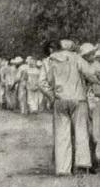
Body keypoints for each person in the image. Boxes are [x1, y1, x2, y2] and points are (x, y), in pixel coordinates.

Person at [40, 39, 99, 175]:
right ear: (72, 47)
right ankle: (82, 165)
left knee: (62, 133)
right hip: (78, 99)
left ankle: (62, 169)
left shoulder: (50, 60)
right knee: (81, 131)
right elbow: (89, 73)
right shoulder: (77, 58)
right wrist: (95, 81)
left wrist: (52, 96)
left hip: (60, 99)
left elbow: (44, 82)